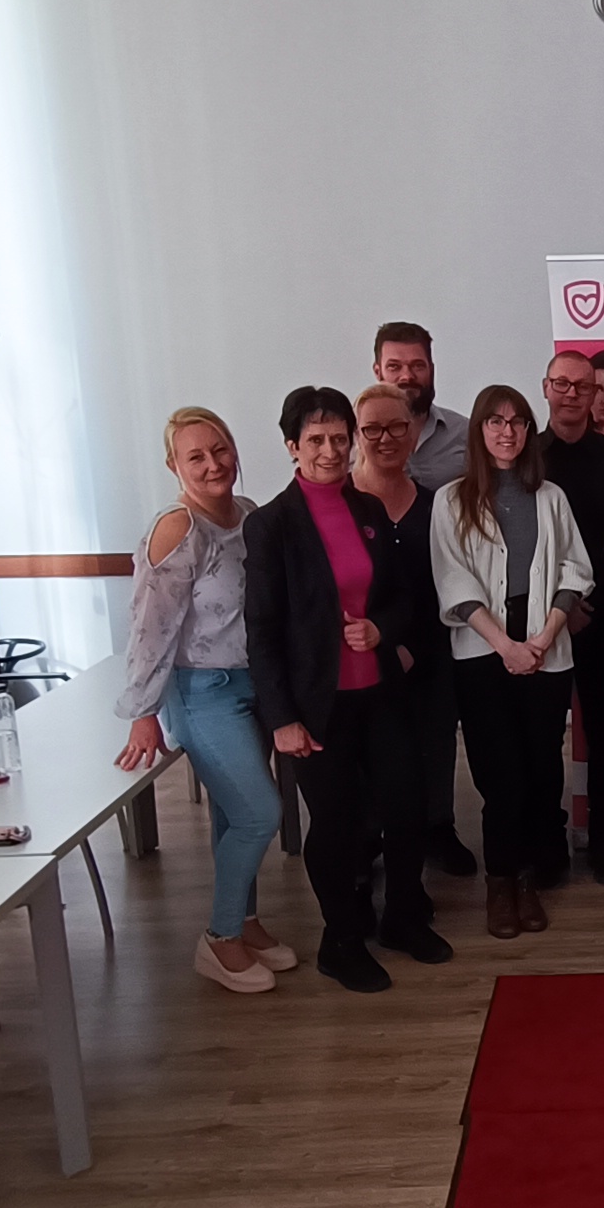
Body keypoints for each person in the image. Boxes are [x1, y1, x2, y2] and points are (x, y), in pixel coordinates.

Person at [244, 387, 450, 993]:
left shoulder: (367, 509)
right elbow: (262, 630)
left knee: (406, 806)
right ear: (292, 446)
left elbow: (400, 598)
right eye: (316, 440)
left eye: (340, 438)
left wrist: (381, 628)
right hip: (317, 705)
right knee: (336, 825)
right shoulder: (271, 525)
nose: (331, 451)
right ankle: (340, 941)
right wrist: (281, 718)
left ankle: (403, 918)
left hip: (380, 691)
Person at [115, 408, 290, 993]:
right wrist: (144, 713)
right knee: (260, 813)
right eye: (196, 456)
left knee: (232, 815)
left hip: (251, 685)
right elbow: (149, 630)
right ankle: (218, 939)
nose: (213, 464)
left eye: (220, 450)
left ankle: (243, 921)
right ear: (174, 466)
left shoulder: (248, 514)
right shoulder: (177, 528)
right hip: (200, 692)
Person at [432, 385, 595, 939]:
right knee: (500, 777)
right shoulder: (451, 500)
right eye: (496, 422)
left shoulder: (550, 497)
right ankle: (500, 883)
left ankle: (528, 879)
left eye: (518, 422)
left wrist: (543, 638)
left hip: (547, 648)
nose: (507, 432)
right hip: (484, 653)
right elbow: (453, 579)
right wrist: (507, 646)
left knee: (541, 769)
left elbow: (575, 569)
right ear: (479, 430)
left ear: (528, 430)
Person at [356, 384, 480, 881]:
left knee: (435, 738)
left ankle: (437, 827)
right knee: (370, 752)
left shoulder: (438, 505)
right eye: (373, 429)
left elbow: (449, 583)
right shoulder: (344, 505)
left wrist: (414, 647)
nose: (386, 438)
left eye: (397, 427)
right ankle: (370, 836)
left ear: (413, 433)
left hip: (430, 647)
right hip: (363, 652)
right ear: (357, 435)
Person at [541, 349, 604, 884]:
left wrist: (584, 603)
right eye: (563, 384)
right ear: (547, 388)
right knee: (540, 739)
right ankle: (547, 844)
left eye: (584, 386)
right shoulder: (526, 457)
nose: (574, 394)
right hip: (540, 622)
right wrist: (560, 608)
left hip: (603, 618)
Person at [374, 320, 469, 490]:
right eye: (394, 367)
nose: (407, 376)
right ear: (378, 372)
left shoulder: (466, 433)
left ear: (431, 370)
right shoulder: (352, 436)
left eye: (417, 366)